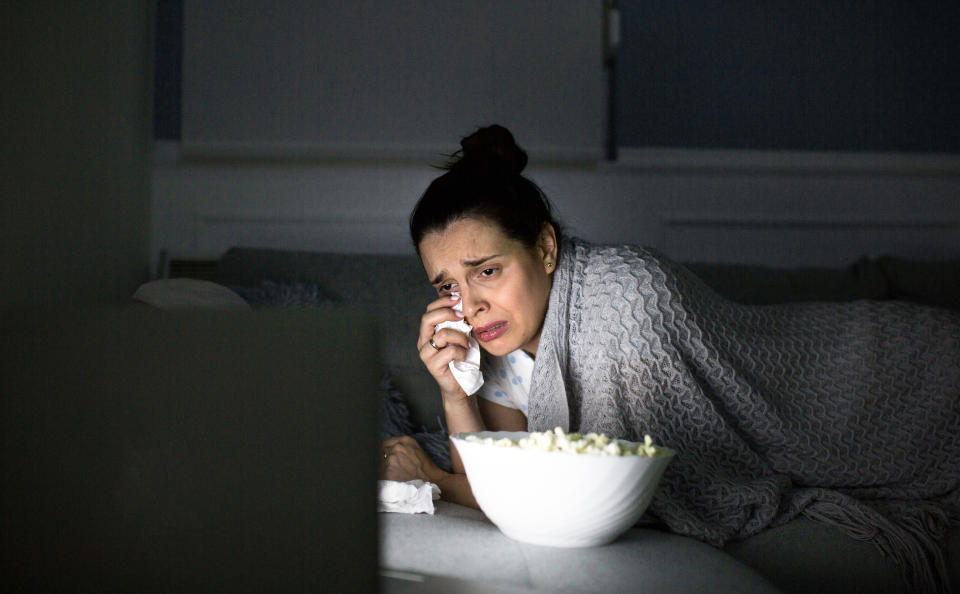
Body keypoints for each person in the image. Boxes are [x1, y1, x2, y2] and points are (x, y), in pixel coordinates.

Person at [381, 125, 960, 593]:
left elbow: (578, 494)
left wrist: (431, 478)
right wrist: (455, 393)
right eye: (449, 286)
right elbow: (504, 484)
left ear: (546, 247)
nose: (473, 305)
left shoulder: (630, 297)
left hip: (891, 371)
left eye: (487, 270)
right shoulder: (493, 346)